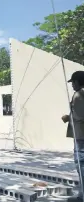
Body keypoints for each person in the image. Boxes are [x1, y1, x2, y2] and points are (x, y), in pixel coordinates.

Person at [61, 71, 84, 202]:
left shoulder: (79, 94)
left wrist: (68, 117)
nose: (72, 85)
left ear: (77, 82)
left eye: (73, 82)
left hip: (81, 136)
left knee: (81, 165)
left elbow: (80, 116)